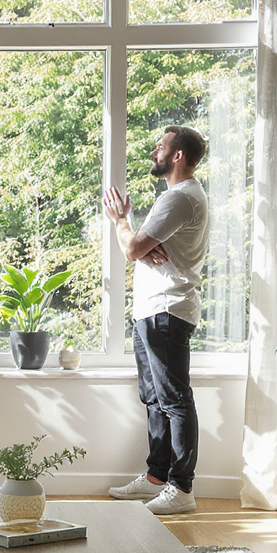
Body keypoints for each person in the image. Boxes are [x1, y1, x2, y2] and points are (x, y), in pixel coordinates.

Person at [101, 126, 209, 516]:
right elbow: (142, 248)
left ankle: (181, 488)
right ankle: (156, 478)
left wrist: (120, 220)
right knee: (154, 399)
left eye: (160, 147)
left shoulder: (181, 197)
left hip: (167, 310)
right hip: (152, 310)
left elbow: (131, 247)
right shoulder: (176, 197)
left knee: (175, 400)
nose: (154, 152)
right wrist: (143, 247)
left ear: (177, 156)